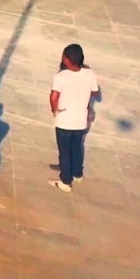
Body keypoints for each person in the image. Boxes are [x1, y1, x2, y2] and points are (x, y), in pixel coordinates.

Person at [49, 43, 100, 192]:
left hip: (65, 120)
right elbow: (95, 92)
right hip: (81, 119)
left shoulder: (61, 76)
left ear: (66, 60)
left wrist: (55, 110)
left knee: (64, 150)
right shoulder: (89, 74)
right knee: (77, 146)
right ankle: (77, 173)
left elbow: (54, 97)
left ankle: (65, 181)